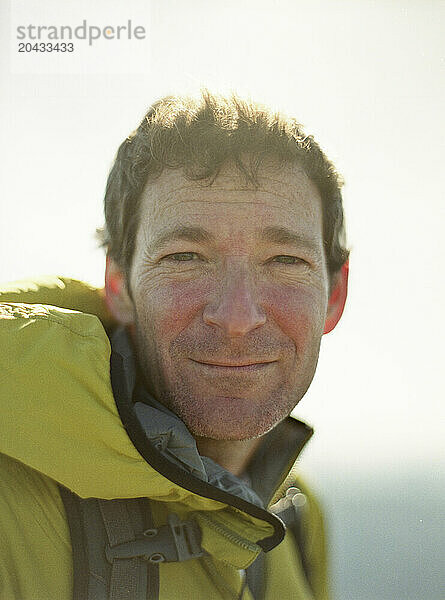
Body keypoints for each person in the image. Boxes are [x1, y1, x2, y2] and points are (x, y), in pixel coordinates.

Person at [0, 91, 349, 600]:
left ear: (335, 296)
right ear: (118, 286)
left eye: (284, 260)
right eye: (186, 256)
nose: (237, 318)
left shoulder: (290, 514)